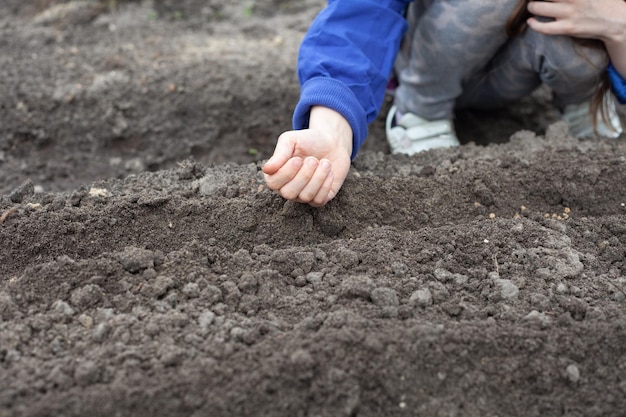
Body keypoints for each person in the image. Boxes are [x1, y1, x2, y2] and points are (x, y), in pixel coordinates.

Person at [262, 0, 626, 207]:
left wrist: (620, 25)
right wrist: (333, 126)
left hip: (520, 62)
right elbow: (361, 17)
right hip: (432, 57)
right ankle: (420, 113)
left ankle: (583, 104)